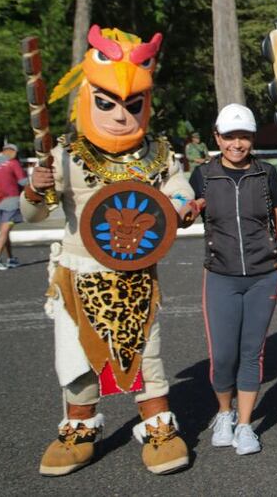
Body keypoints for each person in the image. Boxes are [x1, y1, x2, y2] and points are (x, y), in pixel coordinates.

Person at [24, 25, 199, 476]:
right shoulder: (64, 154)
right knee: (79, 357)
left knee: (146, 353)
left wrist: (183, 206)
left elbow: (177, 190)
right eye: (107, 103)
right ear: (87, 96)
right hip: (77, 274)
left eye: (132, 105)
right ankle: (78, 428)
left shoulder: (160, 153)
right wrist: (35, 188)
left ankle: (158, 425)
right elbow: (34, 215)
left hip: (136, 276)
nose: (120, 116)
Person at [187, 104, 277, 455]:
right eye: (230, 136)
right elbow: (187, 214)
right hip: (221, 275)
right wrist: (184, 213)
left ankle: (246, 425)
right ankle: (224, 413)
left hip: (264, 274)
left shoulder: (266, 174)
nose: (237, 143)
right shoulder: (203, 175)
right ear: (217, 137)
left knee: (252, 352)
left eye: (244, 136)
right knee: (222, 356)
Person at [0, 143, 27, 269]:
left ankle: (11, 259)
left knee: (5, 231)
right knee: (5, 231)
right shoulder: (13, 163)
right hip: (12, 201)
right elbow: (22, 181)